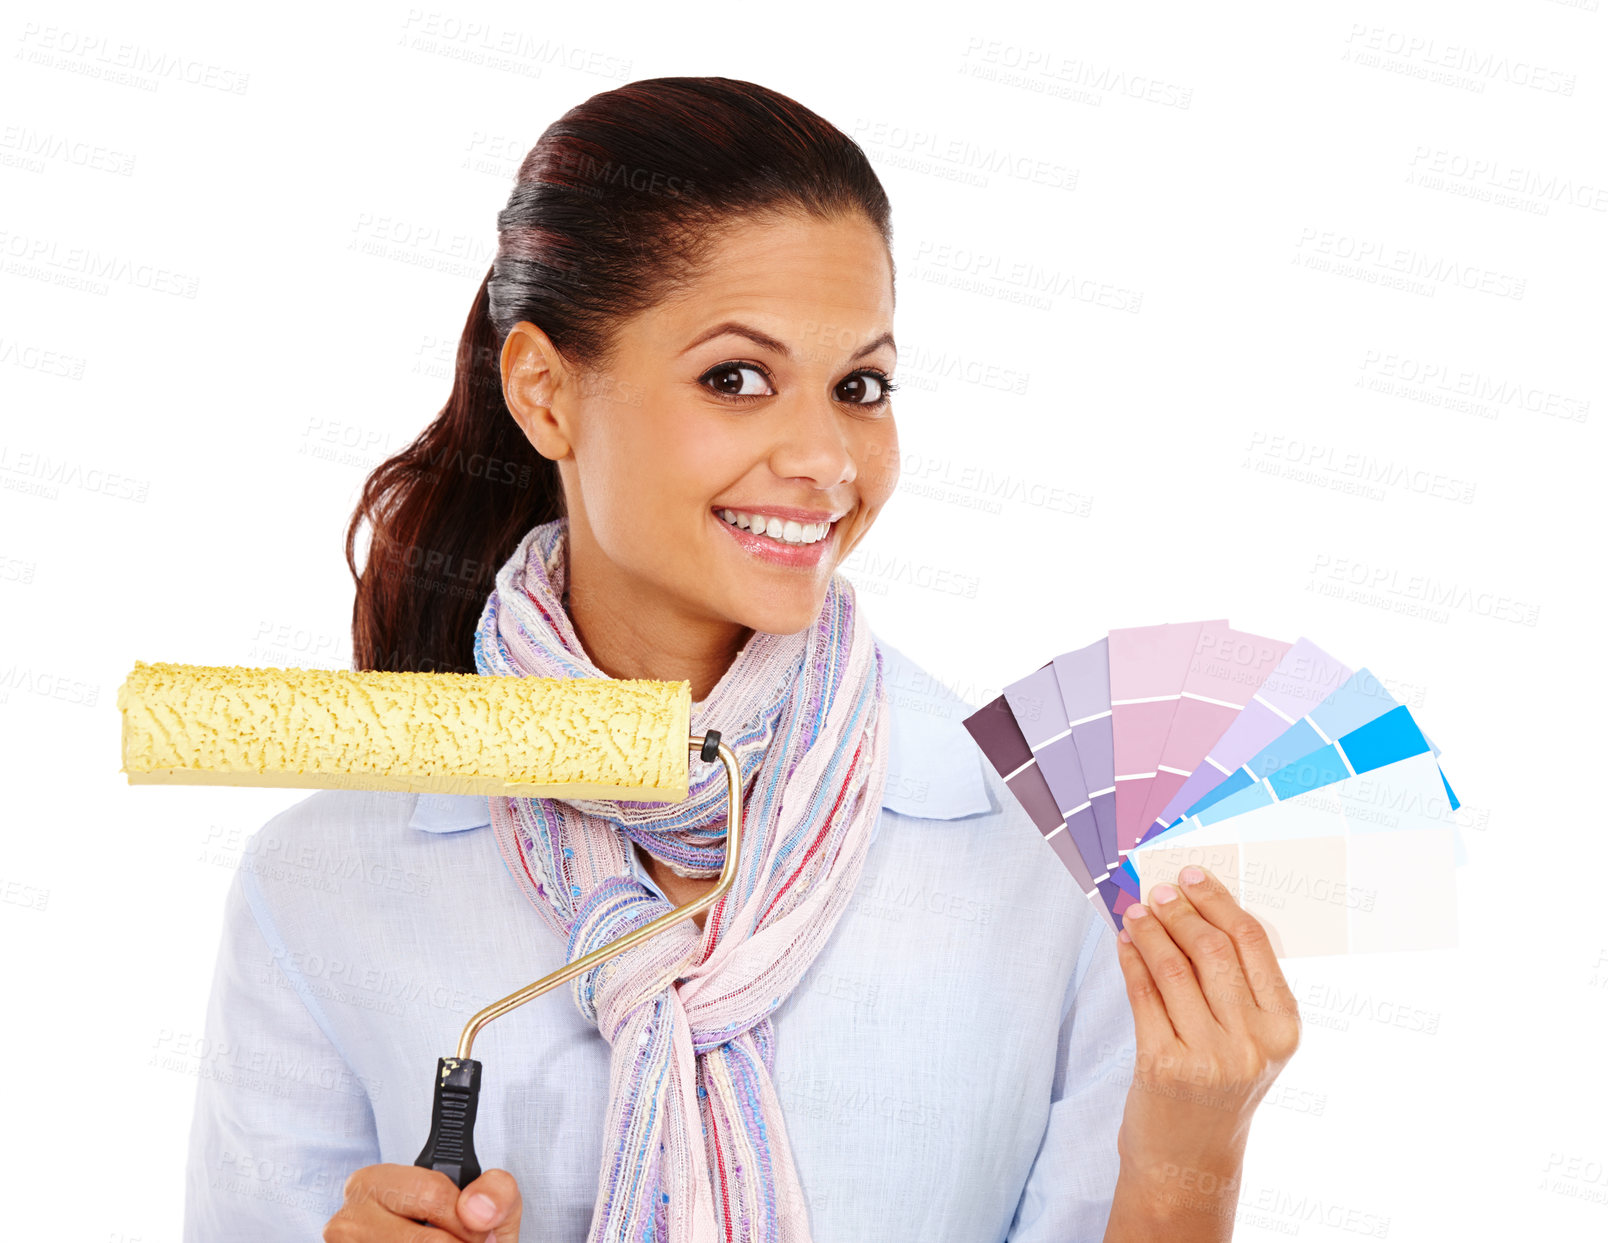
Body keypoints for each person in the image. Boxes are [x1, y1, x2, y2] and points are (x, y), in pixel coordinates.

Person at [183, 76, 1299, 1243]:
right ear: (545, 392)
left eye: (859, 387)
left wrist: (1191, 1161)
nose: (824, 456)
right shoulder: (319, 878)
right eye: (736, 378)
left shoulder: (1040, 850)